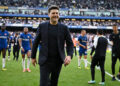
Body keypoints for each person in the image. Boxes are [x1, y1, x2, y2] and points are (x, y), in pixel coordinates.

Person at [31, 5, 73, 86]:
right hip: (45, 61)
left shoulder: (64, 28)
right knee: (43, 84)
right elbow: (35, 42)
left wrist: (69, 55)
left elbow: (70, 44)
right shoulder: (42, 26)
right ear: (49, 14)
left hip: (58, 61)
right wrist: (33, 57)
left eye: (57, 13)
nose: (55, 15)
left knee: (54, 83)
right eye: (53, 13)